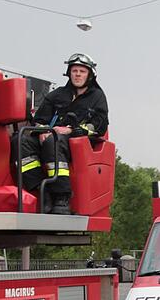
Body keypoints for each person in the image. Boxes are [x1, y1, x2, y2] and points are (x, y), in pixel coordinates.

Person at [17, 53, 109, 215]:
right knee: (20, 140)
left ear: (90, 75)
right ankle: (40, 189)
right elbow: (39, 118)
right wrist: (42, 129)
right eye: (74, 71)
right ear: (69, 73)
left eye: (82, 71)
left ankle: (61, 197)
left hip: (79, 142)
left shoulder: (97, 97)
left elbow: (99, 125)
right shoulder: (58, 94)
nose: (78, 74)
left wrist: (72, 130)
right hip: (51, 136)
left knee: (54, 141)